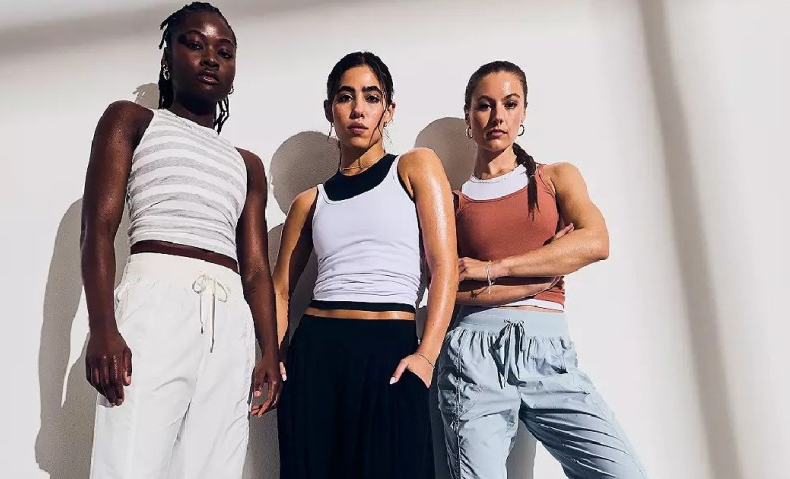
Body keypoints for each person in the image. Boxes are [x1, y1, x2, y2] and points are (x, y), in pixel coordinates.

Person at [79, 3, 281, 477]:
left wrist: (269, 351)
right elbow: (98, 229)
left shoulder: (247, 164)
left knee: (214, 466)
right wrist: (103, 328)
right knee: (129, 461)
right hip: (155, 303)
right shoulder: (132, 121)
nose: (211, 58)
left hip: (229, 318)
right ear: (168, 56)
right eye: (194, 44)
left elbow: (255, 269)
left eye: (224, 52)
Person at [437, 60, 647, 479]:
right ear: (468, 116)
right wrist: (546, 270)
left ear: (524, 112)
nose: (498, 116)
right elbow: (447, 290)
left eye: (510, 104)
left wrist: (494, 268)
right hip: (474, 356)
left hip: (548, 351)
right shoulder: (453, 202)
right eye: (484, 105)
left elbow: (596, 242)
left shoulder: (554, 178)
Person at [271, 51, 458, 479]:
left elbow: (444, 266)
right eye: (346, 97)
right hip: (316, 356)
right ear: (330, 110)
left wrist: (426, 357)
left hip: (390, 353)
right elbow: (280, 289)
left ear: (388, 110)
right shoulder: (310, 201)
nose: (358, 109)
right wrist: (276, 359)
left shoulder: (415, 166)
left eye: (372, 98)